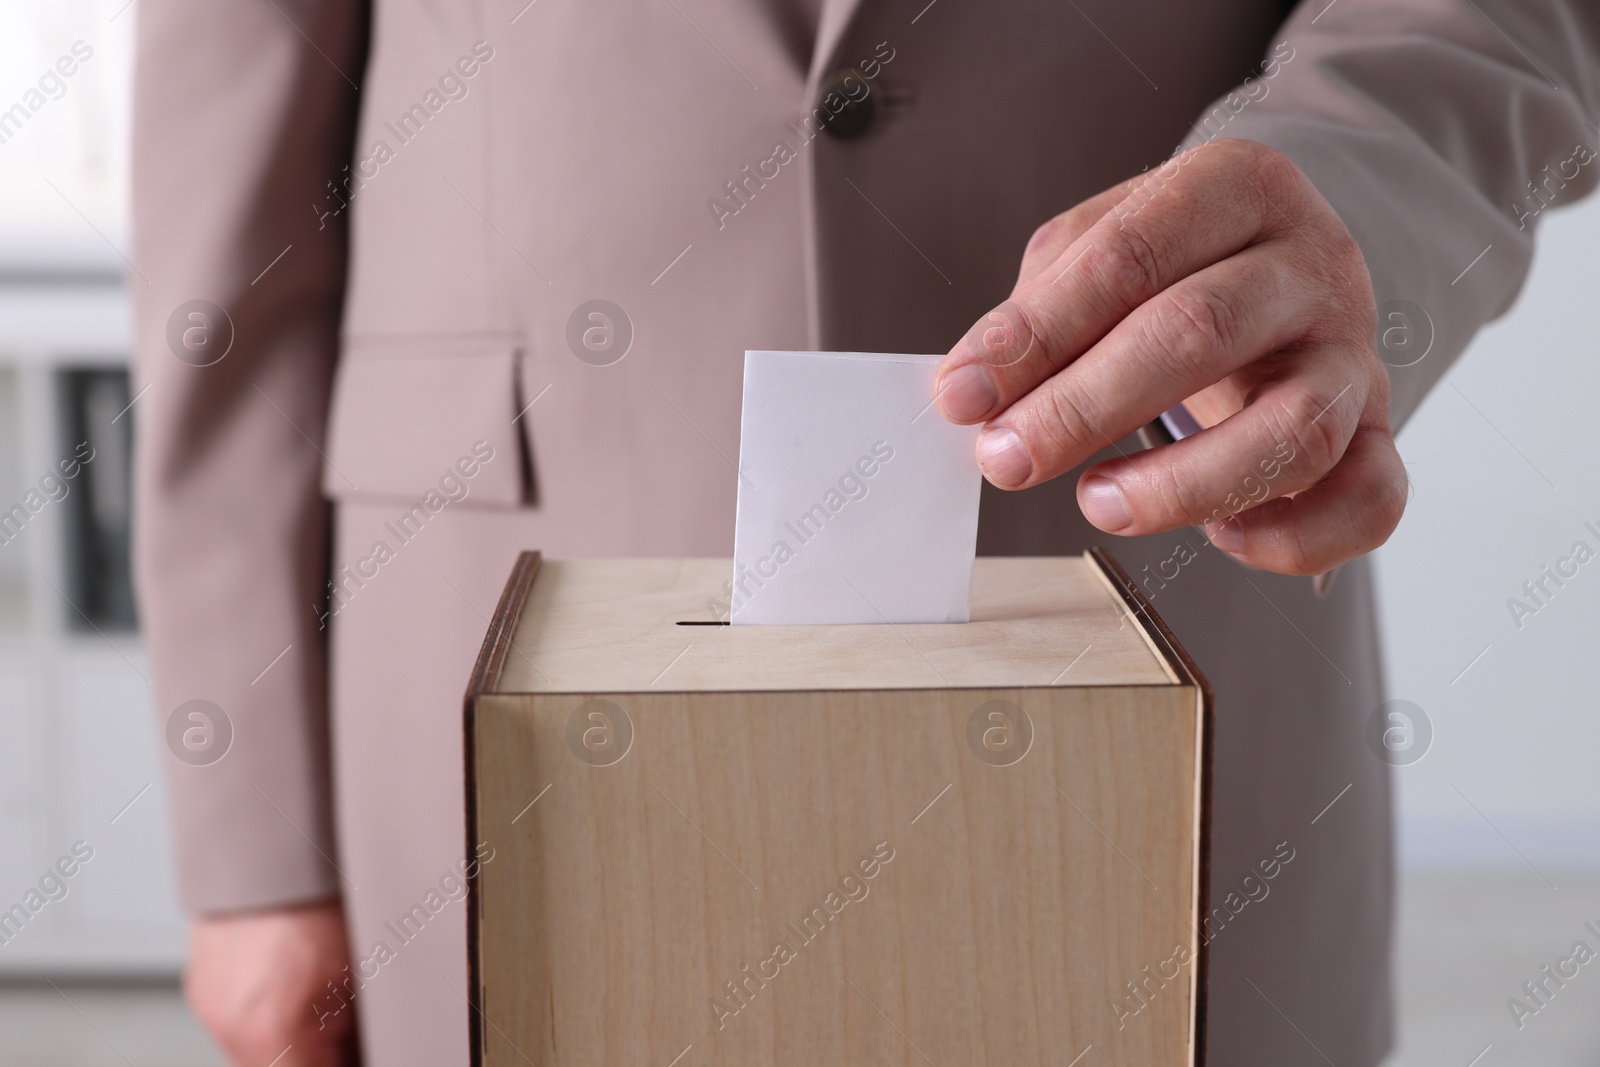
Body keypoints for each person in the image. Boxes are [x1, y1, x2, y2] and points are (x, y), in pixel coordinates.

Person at [129, 0, 1599, 1064]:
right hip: (493, 650)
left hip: (1163, 611)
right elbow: (231, 134)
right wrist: (252, 833)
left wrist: (1336, 210)